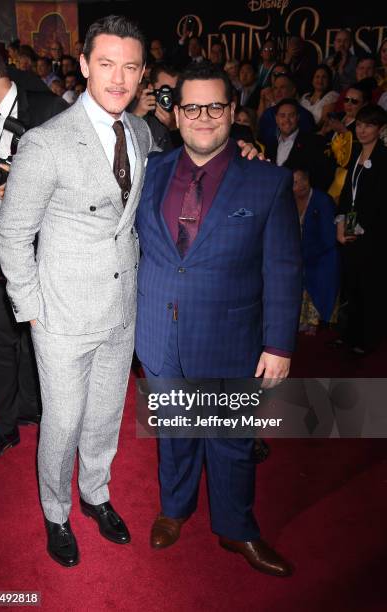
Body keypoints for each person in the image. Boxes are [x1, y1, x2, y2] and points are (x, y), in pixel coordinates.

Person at [0, 15, 157, 569]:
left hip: (120, 307)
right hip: (60, 314)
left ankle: (96, 494)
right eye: (106, 64)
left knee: (106, 414)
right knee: (61, 424)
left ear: (141, 74)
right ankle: (56, 510)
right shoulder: (46, 142)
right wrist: (32, 311)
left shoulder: (139, 132)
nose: (118, 78)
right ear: (85, 65)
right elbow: (13, 235)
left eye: (130, 67)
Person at [135, 63, 302, 577]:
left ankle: (236, 528)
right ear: (176, 113)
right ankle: (175, 507)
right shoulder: (152, 170)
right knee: (174, 431)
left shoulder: (267, 182)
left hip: (232, 339)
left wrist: (279, 345)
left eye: (215, 106)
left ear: (232, 112)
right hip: (160, 334)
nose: (203, 117)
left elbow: (283, 267)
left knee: (230, 441)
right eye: (192, 107)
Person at [0, 44, 67, 463]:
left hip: (38, 246)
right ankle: (5, 425)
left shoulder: (48, 108)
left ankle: (38, 410)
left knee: (37, 336)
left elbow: (71, 176)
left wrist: (23, 184)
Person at [335, 104, 387, 354]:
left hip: (375, 234)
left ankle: (366, 339)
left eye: (369, 125)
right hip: (353, 230)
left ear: (380, 129)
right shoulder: (355, 153)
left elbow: (379, 200)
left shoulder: (384, 158)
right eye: (359, 124)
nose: (362, 130)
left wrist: (359, 227)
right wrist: (341, 223)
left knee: (370, 285)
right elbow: (347, 194)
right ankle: (348, 334)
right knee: (351, 283)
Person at [293, 169, 339, 335]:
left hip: (322, 254)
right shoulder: (290, 201)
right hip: (301, 253)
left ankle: (313, 321)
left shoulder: (323, 201)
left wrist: (306, 254)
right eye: (294, 182)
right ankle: (301, 320)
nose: (298, 185)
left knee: (317, 280)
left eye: (300, 181)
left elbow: (328, 237)